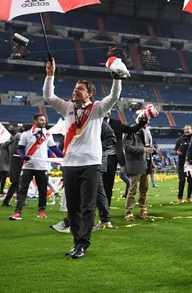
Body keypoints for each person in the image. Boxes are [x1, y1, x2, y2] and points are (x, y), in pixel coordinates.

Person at [43, 58, 122, 259]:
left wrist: (117, 77)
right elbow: (48, 96)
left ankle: (83, 244)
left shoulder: (97, 109)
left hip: (90, 164)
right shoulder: (67, 107)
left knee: (88, 206)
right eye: (75, 88)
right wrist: (50, 75)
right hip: (69, 164)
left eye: (80, 89)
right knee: (73, 206)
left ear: (90, 93)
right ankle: (76, 242)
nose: (75, 91)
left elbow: (113, 97)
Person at [9, 113, 63, 221]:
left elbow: (54, 149)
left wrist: (64, 156)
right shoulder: (26, 134)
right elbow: (20, 149)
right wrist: (23, 156)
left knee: (42, 191)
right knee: (22, 189)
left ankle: (41, 211)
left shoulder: (47, 134)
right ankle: (17, 212)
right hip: (28, 166)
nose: (44, 122)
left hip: (42, 167)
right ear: (35, 121)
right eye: (41, 120)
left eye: (44, 120)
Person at [106, 114, 146, 207]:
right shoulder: (93, 121)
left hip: (112, 157)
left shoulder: (116, 123)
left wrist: (141, 123)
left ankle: (105, 208)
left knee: (108, 184)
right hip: (95, 156)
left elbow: (131, 130)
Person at [123, 113, 155, 221]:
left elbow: (149, 151)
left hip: (145, 165)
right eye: (145, 121)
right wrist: (143, 150)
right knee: (133, 190)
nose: (148, 123)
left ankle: (143, 212)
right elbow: (127, 148)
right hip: (135, 164)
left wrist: (152, 165)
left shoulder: (147, 133)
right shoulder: (131, 131)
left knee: (144, 190)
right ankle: (129, 213)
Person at [175, 118, 192, 203]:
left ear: (191, 130)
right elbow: (175, 150)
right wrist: (176, 152)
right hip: (181, 164)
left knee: (191, 181)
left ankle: (189, 197)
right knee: (181, 181)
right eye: (185, 129)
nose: (186, 131)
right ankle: (180, 198)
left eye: (188, 129)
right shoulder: (179, 140)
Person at [1, 132, 22, 207]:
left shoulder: (13, 146)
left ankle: (10, 201)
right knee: (15, 185)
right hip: (16, 169)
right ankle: (7, 201)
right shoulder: (17, 147)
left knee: (16, 185)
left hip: (14, 169)